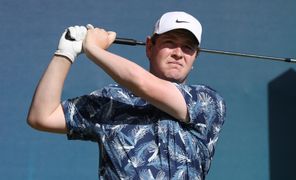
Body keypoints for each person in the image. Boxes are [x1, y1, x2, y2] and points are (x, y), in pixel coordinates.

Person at [27, 11, 226, 179]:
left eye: (188, 47)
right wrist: (65, 53)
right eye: (169, 42)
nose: (178, 53)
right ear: (149, 47)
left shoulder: (207, 101)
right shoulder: (113, 99)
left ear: (195, 57)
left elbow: (143, 84)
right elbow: (42, 117)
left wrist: (93, 49)